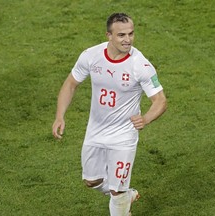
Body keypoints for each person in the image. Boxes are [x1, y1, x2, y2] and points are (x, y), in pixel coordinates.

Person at [52, 12, 167, 216]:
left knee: (116, 190)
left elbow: (160, 100)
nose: (128, 39)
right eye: (121, 35)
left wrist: (146, 118)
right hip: (95, 131)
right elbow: (71, 84)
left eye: (131, 34)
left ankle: (122, 196)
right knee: (91, 181)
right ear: (109, 35)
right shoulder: (91, 56)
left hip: (124, 135)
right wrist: (60, 116)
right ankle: (126, 195)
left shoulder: (140, 65)